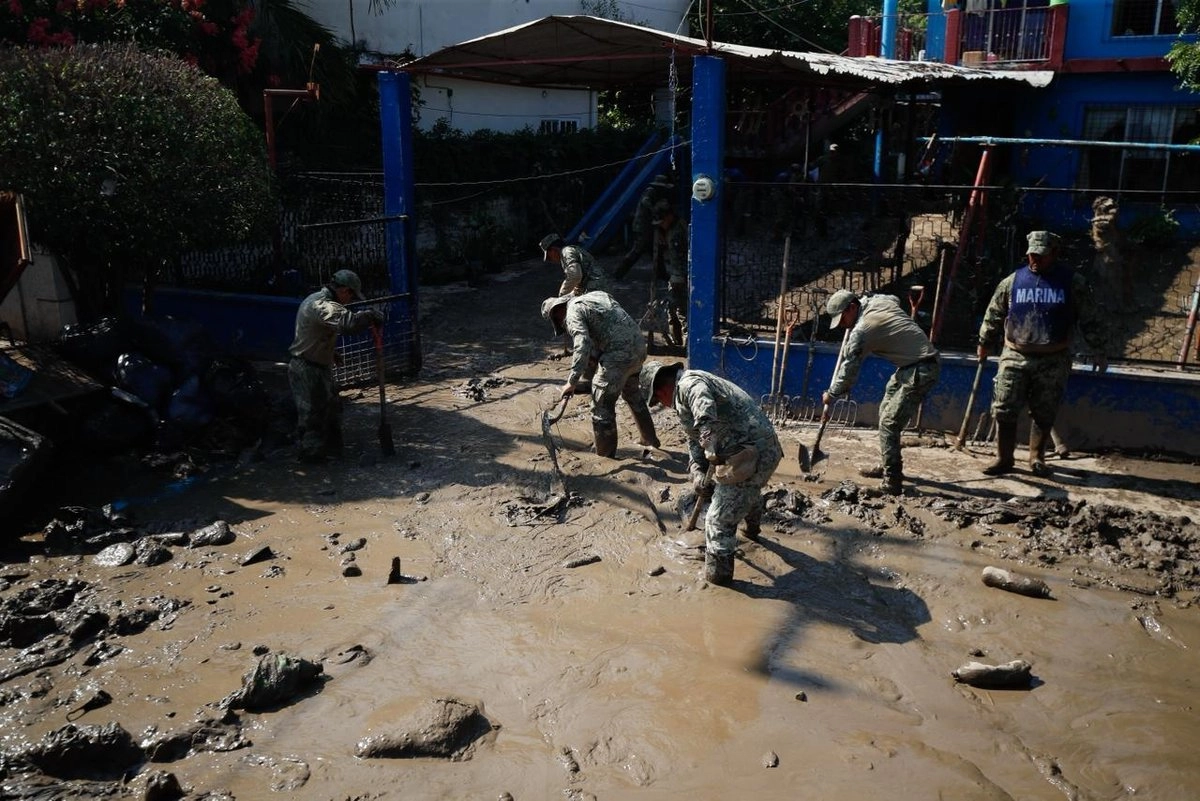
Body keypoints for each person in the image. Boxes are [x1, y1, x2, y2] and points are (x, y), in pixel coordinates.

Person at [638, 360, 784, 586]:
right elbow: (693, 440)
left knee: (717, 522)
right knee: (745, 491)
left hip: (753, 453)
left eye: (658, 400)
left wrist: (708, 438)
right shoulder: (682, 395)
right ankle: (751, 530)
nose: (663, 405)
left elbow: (703, 410)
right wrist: (697, 473)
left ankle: (719, 582)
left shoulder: (689, 384)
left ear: (661, 389)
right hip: (754, 450)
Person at [977, 230, 1108, 477]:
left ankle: (1037, 458)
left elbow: (1091, 318)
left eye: (1041, 255)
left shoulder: (1072, 282)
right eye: (1032, 255)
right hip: (1015, 353)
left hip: (1053, 357)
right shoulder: (1013, 281)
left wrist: (1098, 348)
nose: (1035, 260)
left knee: (1044, 409)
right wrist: (985, 341)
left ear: (1055, 253)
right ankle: (1004, 459)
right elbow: (994, 312)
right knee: (1004, 407)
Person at [822, 289, 940, 495]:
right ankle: (889, 463)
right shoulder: (878, 302)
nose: (841, 325)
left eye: (842, 319)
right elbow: (893, 297)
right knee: (885, 411)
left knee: (889, 423)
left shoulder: (862, 330)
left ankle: (892, 482)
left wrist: (832, 393)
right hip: (908, 367)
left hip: (921, 369)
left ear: (852, 307)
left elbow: (849, 370)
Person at [541, 291, 658, 457]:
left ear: (557, 313)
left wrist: (572, 381)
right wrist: (594, 357)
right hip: (638, 346)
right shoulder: (595, 297)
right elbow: (609, 327)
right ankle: (650, 440)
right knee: (632, 394)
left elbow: (582, 344)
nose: (562, 325)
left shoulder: (572, 311)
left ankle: (605, 457)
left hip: (619, 354)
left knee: (601, 404)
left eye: (559, 321)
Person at [288, 269, 383, 463]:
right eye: (351, 296)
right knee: (313, 416)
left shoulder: (317, 299)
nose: (350, 301)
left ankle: (332, 454)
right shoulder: (321, 304)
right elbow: (349, 323)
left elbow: (315, 334)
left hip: (317, 364)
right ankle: (311, 461)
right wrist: (370, 315)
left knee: (331, 410)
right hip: (307, 368)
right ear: (344, 291)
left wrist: (331, 353)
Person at [614, 174, 674, 280]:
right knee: (637, 251)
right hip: (642, 226)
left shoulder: (658, 194)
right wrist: (654, 210)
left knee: (656, 251)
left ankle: (662, 275)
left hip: (648, 226)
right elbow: (645, 202)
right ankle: (618, 273)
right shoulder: (650, 191)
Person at [652, 199, 689, 347]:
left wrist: (678, 278)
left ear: (669, 217)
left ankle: (685, 344)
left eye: (662, 221)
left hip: (679, 277)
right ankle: (678, 341)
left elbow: (679, 258)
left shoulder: (677, 233)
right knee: (673, 310)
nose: (661, 224)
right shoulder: (675, 227)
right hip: (675, 275)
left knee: (680, 311)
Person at [539, 234, 610, 297]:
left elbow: (575, 276)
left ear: (553, 250)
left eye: (549, 256)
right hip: (601, 288)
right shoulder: (573, 250)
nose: (551, 260)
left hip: (594, 290)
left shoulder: (566, 252)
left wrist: (562, 295)